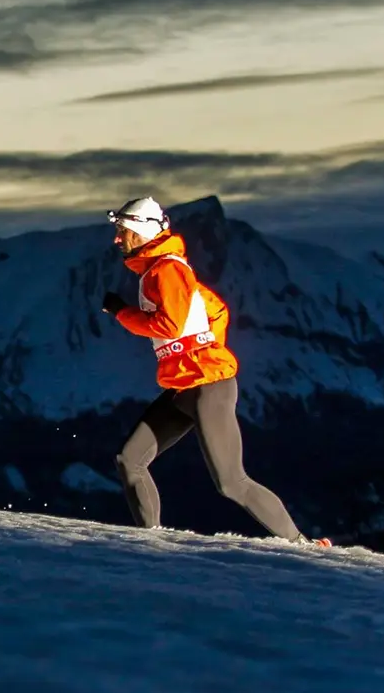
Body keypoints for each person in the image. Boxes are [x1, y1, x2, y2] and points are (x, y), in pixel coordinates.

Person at [101, 195, 326, 544]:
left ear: (142, 232)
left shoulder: (168, 269)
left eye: (122, 231)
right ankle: (150, 543)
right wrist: (206, 347)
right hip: (185, 386)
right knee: (129, 460)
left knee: (231, 482)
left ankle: (302, 544)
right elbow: (216, 309)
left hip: (207, 386)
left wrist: (121, 313)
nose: (117, 239)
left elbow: (170, 325)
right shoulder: (162, 270)